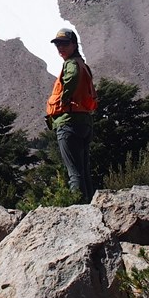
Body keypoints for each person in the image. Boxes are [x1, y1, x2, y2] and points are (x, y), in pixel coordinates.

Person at [46, 27, 98, 202]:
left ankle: (76, 209)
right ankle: (90, 206)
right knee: (83, 171)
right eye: (58, 44)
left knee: (74, 173)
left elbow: (72, 76)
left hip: (69, 123)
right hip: (84, 122)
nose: (60, 47)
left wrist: (64, 97)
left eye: (64, 43)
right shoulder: (83, 65)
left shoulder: (72, 64)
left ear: (74, 44)